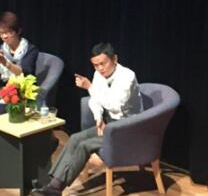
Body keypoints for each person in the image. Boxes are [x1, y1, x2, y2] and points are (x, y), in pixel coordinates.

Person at [32, 42, 143, 196]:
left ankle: (55, 189)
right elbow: (95, 100)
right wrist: (98, 117)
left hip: (128, 128)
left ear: (114, 59)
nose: (100, 68)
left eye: (103, 63)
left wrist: (90, 87)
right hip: (109, 123)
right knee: (75, 138)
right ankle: (53, 185)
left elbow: (115, 105)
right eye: (96, 65)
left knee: (84, 145)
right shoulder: (98, 75)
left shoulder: (127, 76)